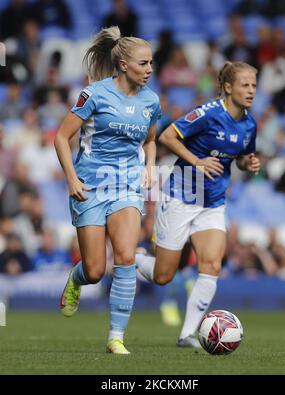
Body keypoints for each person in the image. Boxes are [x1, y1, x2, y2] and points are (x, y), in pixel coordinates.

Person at [136, 61, 261, 348]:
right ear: (228, 87)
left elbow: (240, 157)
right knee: (163, 275)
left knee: (212, 265)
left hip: (213, 202)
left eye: (254, 85)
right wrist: (197, 161)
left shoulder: (250, 123)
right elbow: (167, 136)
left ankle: (187, 334)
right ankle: (127, 262)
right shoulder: (208, 113)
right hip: (181, 196)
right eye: (245, 85)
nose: (251, 90)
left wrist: (247, 162)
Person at [54, 26, 160, 354]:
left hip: (126, 185)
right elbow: (61, 137)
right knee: (96, 270)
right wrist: (71, 179)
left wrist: (149, 167)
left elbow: (152, 139)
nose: (150, 69)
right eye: (143, 64)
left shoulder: (151, 100)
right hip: (90, 186)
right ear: (124, 65)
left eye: (152, 63)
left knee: (126, 257)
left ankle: (116, 337)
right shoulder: (95, 94)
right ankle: (77, 278)